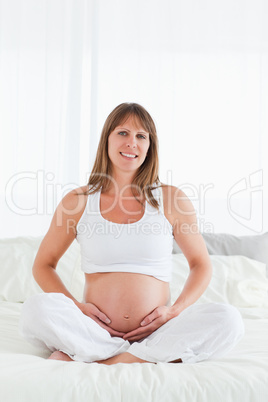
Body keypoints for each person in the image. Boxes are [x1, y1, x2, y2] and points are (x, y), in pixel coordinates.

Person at [19, 102, 244, 364]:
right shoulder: (79, 200)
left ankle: (100, 359)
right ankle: (136, 357)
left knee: (229, 320)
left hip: (160, 332)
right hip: (95, 331)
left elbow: (201, 264)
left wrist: (174, 312)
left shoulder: (171, 199)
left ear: (150, 146)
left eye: (141, 136)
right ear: (107, 139)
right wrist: (76, 308)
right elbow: (43, 265)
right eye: (123, 133)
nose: (132, 143)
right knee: (35, 310)